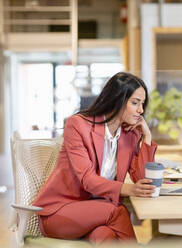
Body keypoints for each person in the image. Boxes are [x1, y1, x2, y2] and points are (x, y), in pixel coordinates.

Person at [33, 72, 157, 244]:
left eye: (142, 104)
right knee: (118, 212)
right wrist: (129, 189)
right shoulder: (77, 125)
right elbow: (87, 180)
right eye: (135, 103)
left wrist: (147, 138)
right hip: (62, 211)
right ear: (117, 100)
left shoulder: (130, 134)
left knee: (105, 236)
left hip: (99, 214)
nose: (141, 110)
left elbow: (143, 181)